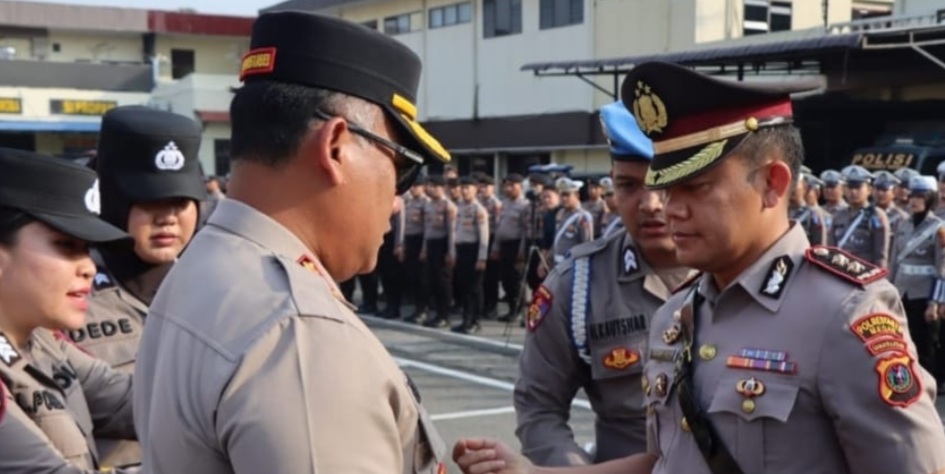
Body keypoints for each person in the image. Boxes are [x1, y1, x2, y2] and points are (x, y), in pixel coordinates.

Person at [454, 61, 945, 474]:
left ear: (773, 184)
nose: (668, 208)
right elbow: (666, 459)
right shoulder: (676, 317)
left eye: (696, 187)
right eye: (669, 188)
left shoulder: (844, 314)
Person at [133, 12, 450, 473]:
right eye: (402, 169)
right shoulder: (301, 331)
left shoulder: (203, 265)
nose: (398, 201)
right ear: (336, 146)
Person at [515, 100, 693, 467]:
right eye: (629, 185)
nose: (650, 204)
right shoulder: (577, 287)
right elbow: (539, 406)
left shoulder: (741, 273)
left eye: (666, 183)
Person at [70, 106, 206, 467]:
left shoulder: (217, 291)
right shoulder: (69, 294)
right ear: (113, 200)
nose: (168, 218)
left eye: (179, 202)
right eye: (149, 202)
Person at [0, 147, 138, 473]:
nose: (89, 267)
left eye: (87, 249)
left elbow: (135, 403)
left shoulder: (44, 341)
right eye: (66, 246)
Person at [889, 175, 945, 395]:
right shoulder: (903, 224)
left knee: (925, 344)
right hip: (902, 291)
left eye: (920, 196)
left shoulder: (939, 228)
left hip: (924, 294)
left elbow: (942, 267)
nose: (914, 200)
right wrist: (889, 291)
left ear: (929, 198)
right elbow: (894, 261)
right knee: (903, 340)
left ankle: (926, 388)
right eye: (912, 195)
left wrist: (935, 301)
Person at [830, 165, 890, 267]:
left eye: (858, 187)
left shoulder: (876, 215)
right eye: (850, 187)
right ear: (844, 189)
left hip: (863, 274)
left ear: (869, 189)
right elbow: (830, 249)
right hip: (839, 272)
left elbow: (880, 255)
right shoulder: (838, 216)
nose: (853, 192)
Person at [453, 176, 489, 334]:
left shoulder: (478, 209)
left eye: (468, 188)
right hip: (461, 250)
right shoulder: (459, 206)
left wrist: (482, 257)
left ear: (475, 190)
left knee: (475, 289)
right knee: (464, 287)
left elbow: (484, 236)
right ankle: (466, 320)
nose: (464, 191)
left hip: (473, 251)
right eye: (463, 187)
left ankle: (475, 321)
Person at [493, 174, 530, 323]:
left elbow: (524, 230)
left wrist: (521, 251)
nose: (508, 189)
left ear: (520, 187)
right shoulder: (504, 203)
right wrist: (495, 247)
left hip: (516, 245)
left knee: (516, 280)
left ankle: (518, 310)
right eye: (506, 185)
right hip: (504, 245)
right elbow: (499, 227)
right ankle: (510, 308)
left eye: (512, 186)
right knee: (506, 279)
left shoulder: (525, 205)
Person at [550, 177, 594, 267]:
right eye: (562, 195)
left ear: (577, 195)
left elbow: (587, 244)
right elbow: (557, 239)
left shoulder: (583, 216)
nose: (564, 198)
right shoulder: (561, 214)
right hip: (557, 264)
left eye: (567, 195)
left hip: (572, 264)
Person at [403, 176, 430, 320]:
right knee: (412, 277)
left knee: (422, 279)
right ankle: (417, 308)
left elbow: (427, 228)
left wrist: (424, 249)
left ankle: (423, 309)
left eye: (417, 186)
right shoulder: (409, 202)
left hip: (421, 241)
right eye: (412, 186)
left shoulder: (426, 203)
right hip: (410, 241)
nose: (414, 189)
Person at [377, 193, 406, 319]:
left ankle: (394, 307)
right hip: (382, 238)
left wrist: (399, 244)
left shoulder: (398, 200)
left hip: (393, 239)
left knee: (393, 276)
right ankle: (389, 305)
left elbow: (401, 223)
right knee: (385, 275)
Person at [479, 173, 504, 319]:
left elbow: (499, 225)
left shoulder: (496, 204)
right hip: (482, 240)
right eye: (481, 187)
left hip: (493, 238)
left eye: (486, 187)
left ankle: (492, 306)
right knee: (483, 278)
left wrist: (496, 247)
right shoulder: (479, 202)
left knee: (492, 277)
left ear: (492, 188)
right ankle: (485, 305)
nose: (483, 189)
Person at [788, 167, 828, 245]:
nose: (791, 188)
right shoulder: (780, 212)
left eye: (795, 184)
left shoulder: (813, 215)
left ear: (805, 187)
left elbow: (819, 245)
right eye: (789, 184)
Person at [872, 170, 908, 234]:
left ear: (894, 192)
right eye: (877, 189)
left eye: (884, 190)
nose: (880, 193)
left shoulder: (901, 217)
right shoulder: (863, 212)